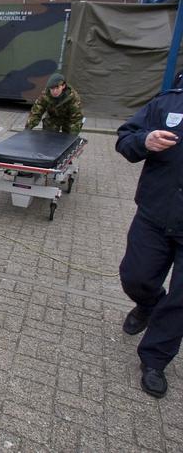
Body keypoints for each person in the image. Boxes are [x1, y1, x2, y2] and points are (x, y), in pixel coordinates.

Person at [116, 84, 183, 399]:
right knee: (135, 276)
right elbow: (125, 140)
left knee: (180, 301)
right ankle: (147, 303)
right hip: (155, 214)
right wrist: (144, 140)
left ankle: (154, 360)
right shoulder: (167, 102)